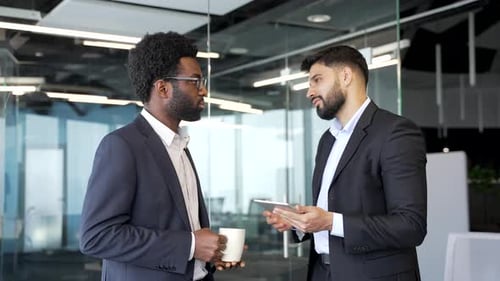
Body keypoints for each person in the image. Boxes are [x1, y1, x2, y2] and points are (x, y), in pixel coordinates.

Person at [80, 32, 238, 281]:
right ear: (163, 88)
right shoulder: (121, 146)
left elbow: (181, 227)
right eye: (195, 82)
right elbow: (97, 237)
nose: (204, 90)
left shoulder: (179, 145)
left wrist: (210, 251)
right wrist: (190, 245)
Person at [263, 45, 427, 281]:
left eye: (317, 80)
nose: (309, 92)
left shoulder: (395, 133)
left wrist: (330, 222)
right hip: (323, 272)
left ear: (346, 76)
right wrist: (298, 223)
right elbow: (332, 208)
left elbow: (411, 226)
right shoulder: (328, 140)